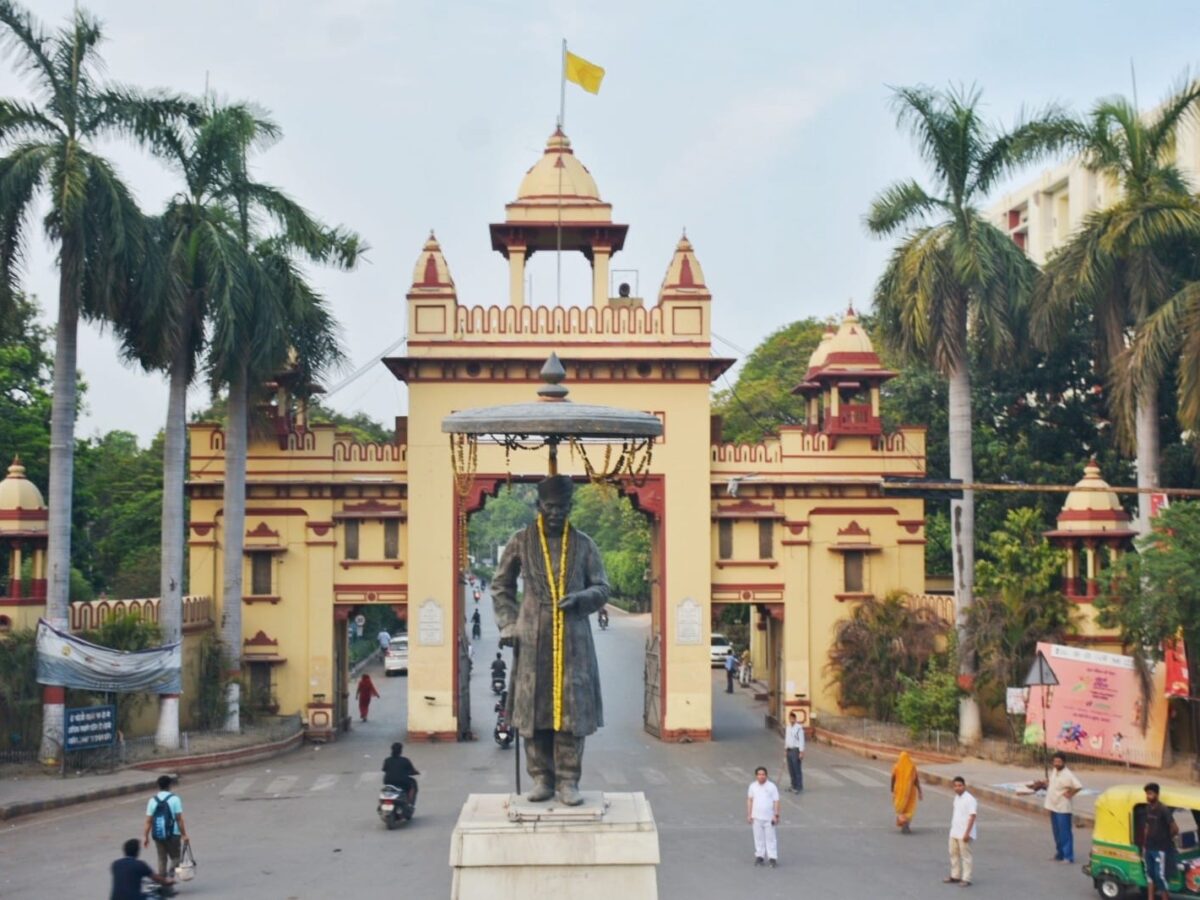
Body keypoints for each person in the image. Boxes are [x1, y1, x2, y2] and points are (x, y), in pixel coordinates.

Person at [493, 475, 611, 807]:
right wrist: (508, 624)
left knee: (570, 713)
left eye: (562, 507)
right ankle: (541, 777)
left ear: (570, 507)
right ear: (539, 506)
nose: (556, 513)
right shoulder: (520, 541)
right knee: (534, 710)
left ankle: (568, 780)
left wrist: (582, 599)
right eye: (550, 507)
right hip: (531, 639)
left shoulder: (584, 544)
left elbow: (602, 588)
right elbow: (501, 586)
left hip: (573, 638)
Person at [1028, 751, 1082, 863]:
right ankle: (1060, 854)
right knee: (1056, 832)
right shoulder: (1054, 771)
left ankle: (1068, 856)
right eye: (1055, 761)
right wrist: (1044, 783)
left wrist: (1070, 793)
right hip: (1053, 806)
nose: (1057, 763)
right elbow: (1052, 783)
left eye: (1059, 761)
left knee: (1065, 832)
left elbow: (1078, 786)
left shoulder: (1068, 774)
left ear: (1064, 762)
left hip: (1063, 808)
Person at [143, 775, 189, 880]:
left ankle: (163, 882)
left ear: (158, 786)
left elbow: (148, 821)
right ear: (170, 785)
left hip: (158, 833)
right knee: (176, 858)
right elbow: (179, 819)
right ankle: (171, 874)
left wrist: (145, 836)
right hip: (173, 834)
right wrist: (184, 835)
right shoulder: (175, 799)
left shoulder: (152, 800)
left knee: (162, 858)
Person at [1140, 782, 1178, 900]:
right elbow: (1147, 827)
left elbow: (1175, 828)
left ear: (1157, 794)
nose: (1148, 796)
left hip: (1160, 849)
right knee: (1149, 875)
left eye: (1150, 794)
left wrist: (1166, 838)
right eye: (1147, 794)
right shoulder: (1148, 808)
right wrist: (1143, 845)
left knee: (1160, 876)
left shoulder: (1163, 810)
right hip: (1149, 848)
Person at [944, 776, 977, 886]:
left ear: (964, 786)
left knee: (965, 856)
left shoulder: (970, 799)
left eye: (960, 785)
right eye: (955, 786)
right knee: (953, 854)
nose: (958, 788)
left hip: (964, 833)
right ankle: (955, 875)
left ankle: (966, 878)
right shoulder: (956, 798)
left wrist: (967, 833)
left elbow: (972, 816)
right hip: (954, 831)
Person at [746, 766, 781, 868]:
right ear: (756, 776)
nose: (761, 776)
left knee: (770, 838)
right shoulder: (752, 786)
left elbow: (776, 801)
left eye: (763, 775)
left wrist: (776, 815)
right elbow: (750, 800)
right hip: (756, 817)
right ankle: (760, 856)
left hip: (769, 817)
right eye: (759, 774)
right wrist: (749, 814)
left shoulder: (771, 787)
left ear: (766, 775)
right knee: (758, 838)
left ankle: (772, 857)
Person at [891, 750, 922, 834]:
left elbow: (893, 779)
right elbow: (916, 780)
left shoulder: (896, 766)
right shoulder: (912, 767)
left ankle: (902, 822)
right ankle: (906, 825)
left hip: (899, 793)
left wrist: (892, 790)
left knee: (901, 809)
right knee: (909, 810)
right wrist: (920, 791)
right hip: (910, 793)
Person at [382, 741, 420, 806]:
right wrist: (416, 772)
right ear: (401, 750)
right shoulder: (405, 760)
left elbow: (384, 769)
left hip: (388, 781)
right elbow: (412, 771)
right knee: (412, 785)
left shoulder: (387, 760)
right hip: (402, 781)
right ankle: (410, 803)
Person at [784, 711, 805, 793]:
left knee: (797, 769)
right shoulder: (788, 727)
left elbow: (801, 741)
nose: (791, 720)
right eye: (790, 718)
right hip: (789, 749)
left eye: (793, 718)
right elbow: (787, 739)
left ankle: (799, 786)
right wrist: (785, 749)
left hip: (796, 750)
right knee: (791, 769)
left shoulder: (799, 728)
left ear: (795, 719)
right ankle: (793, 785)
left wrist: (801, 752)